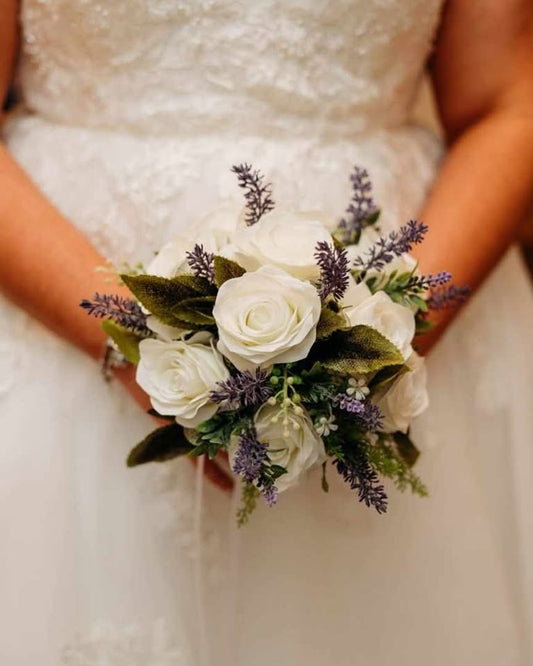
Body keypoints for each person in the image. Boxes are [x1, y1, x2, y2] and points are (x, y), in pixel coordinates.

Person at [0, 1, 532, 664]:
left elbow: (506, 102)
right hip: (59, 306)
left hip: (404, 284)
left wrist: (374, 343)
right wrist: (142, 342)